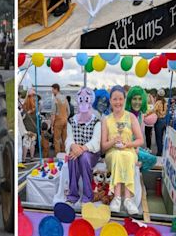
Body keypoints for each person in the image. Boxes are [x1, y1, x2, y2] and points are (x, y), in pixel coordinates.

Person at [101, 86, 144, 215]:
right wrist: (113, 142)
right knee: (118, 156)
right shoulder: (106, 120)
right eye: (115, 99)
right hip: (111, 154)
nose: (118, 102)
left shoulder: (131, 117)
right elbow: (103, 147)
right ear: (110, 101)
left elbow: (140, 140)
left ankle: (127, 199)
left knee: (128, 156)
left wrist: (127, 144)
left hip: (129, 152)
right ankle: (118, 197)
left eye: (120, 99)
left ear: (125, 100)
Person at [65, 87, 101, 205]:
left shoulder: (96, 121)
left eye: (86, 98)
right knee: (72, 157)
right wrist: (72, 145)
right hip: (76, 150)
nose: (84, 102)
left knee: (84, 157)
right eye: (81, 99)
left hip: (91, 153)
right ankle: (73, 195)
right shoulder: (71, 121)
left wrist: (82, 149)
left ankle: (87, 195)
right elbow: (69, 138)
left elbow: (96, 141)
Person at [50, 83, 69, 155]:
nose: (52, 91)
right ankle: (65, 153)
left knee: (56, 139)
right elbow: (68, 111)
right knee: (65, 138)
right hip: (65, 120)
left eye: (52, 89)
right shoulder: (65, 98)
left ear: (56, 89)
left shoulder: (55, 99)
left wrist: (52, 125)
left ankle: (58, 155)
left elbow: (53, 114)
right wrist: (65, 117)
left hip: (58, 121)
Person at [154, 89, 167, 156]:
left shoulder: (158, 102)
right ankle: (163, 151)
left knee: (158, 138)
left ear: (158, 95)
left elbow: (153, 111)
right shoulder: (165, 102)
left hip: (159, 121)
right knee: (162, 137)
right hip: (164, 120)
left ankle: (159, 153)